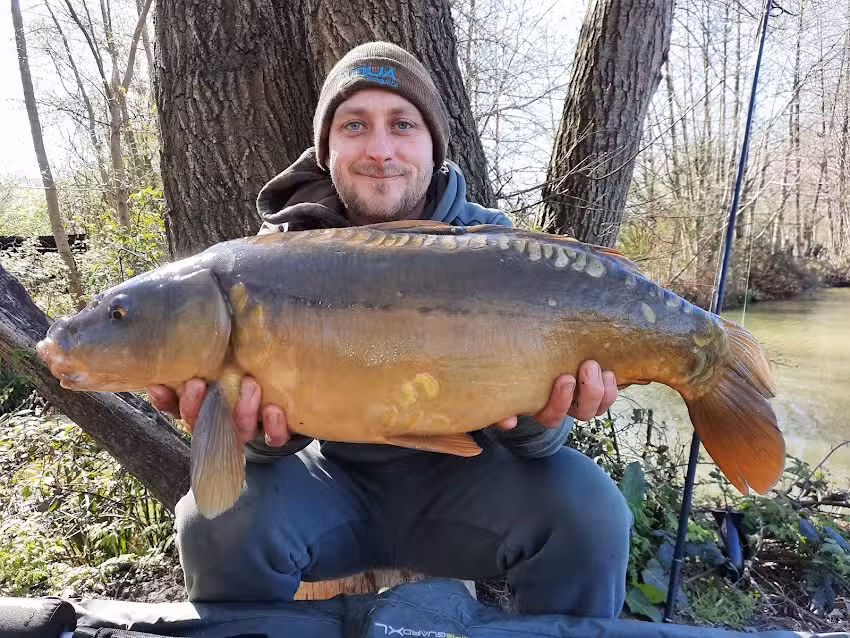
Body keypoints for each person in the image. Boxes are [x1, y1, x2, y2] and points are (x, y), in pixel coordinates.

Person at [148, 41, 632, 618]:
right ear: (325, 149)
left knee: (592, 510)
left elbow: (536, 443)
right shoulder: (272, 260)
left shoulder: (499, 254)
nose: (380, 149)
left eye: (402, 125)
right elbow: (267, 447)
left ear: (433, 147)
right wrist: (255, 432)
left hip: (472, 483)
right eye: (354, 125)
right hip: (332, 483)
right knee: (213, 519)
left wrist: (543, 416)